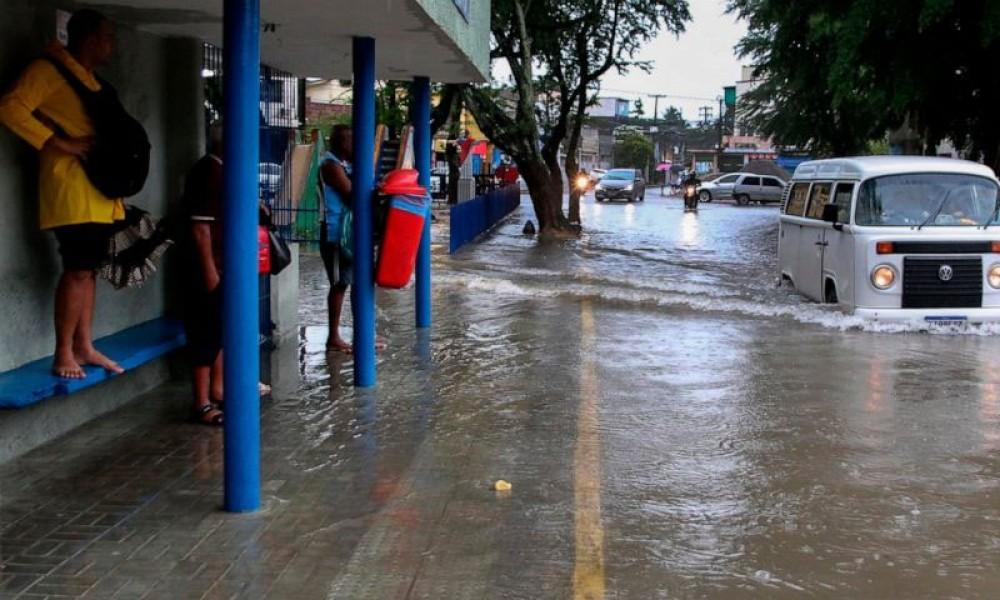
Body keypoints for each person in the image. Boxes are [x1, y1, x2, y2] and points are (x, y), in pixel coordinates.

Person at [0, 9, 125, 379]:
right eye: (107, 37)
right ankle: (63, 352)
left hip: (99, 191)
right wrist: (57, 143)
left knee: (89, 272)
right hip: (71, 188)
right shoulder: (48, 71)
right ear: (89, 39)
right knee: (76, 272)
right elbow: (9, 107)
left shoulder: (87, 79)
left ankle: (84, 345)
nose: (112, 45)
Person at [181, 122, 226, 426]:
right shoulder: (208, 171)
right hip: (208, 268)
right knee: (205, 331)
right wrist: (210, 271)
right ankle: (201, 402)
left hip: (222, 265)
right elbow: (200, 228)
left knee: (219, 329)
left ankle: (218, 389)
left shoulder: (222, 170)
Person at [319, 124, 355, 354]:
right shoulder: (331, 166)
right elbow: (351, 194)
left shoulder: (343, 165)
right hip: (334, 233)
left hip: (346, 232)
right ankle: (333, 336)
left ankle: (354, 333)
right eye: (352, 142)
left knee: (349, 281)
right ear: (343, 143)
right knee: (339, 283)